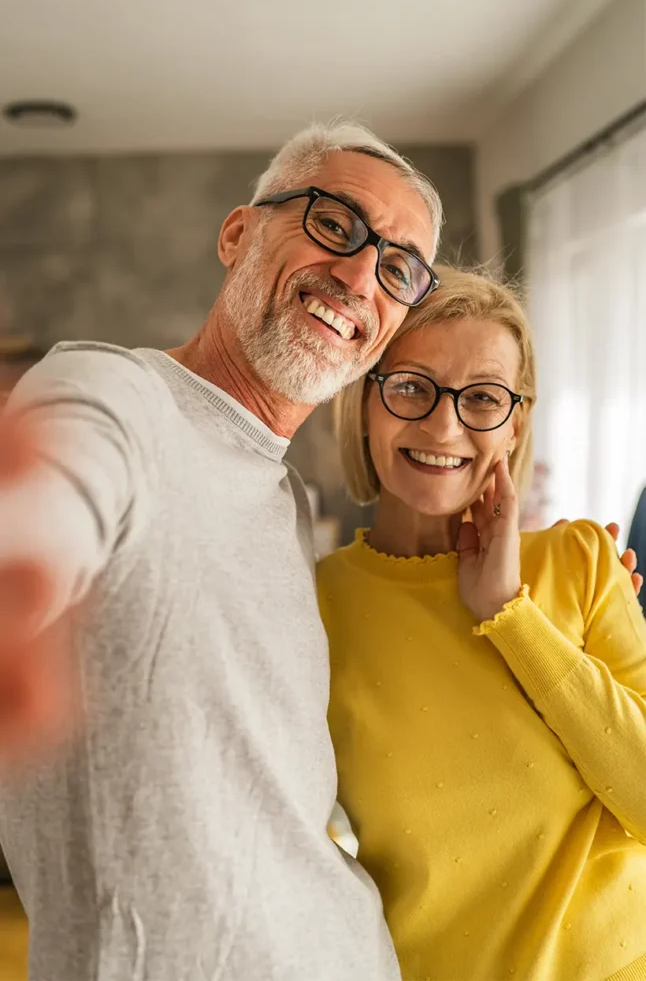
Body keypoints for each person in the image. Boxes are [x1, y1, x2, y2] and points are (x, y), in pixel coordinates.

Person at [0, 121, 443, 981]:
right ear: (238, 233)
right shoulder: (110, 390)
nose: (358, 276)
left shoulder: (288, 499)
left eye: (398, 269)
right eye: (333, 223)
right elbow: (54, 497)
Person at [318, 267, 646, 981]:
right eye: (410, 386)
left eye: (484, 398)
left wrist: (509, 613)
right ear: (364, 401)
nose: (444, 425)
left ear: (515, 423)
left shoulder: (582, 560)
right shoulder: (314, 605)